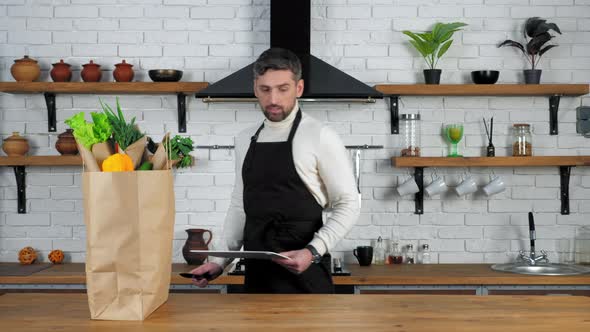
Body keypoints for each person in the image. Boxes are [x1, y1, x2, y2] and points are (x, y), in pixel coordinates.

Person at [190, 47, 360, 293]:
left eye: (283, 89)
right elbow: (240, 205)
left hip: (306, 280)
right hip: (257, 280)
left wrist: (313, 251)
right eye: (265, 89)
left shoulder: (320, 136)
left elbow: (349, 203)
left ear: (298, 88)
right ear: (255, 88)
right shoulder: (245, 138)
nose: (273, 100)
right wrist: (218, 262)